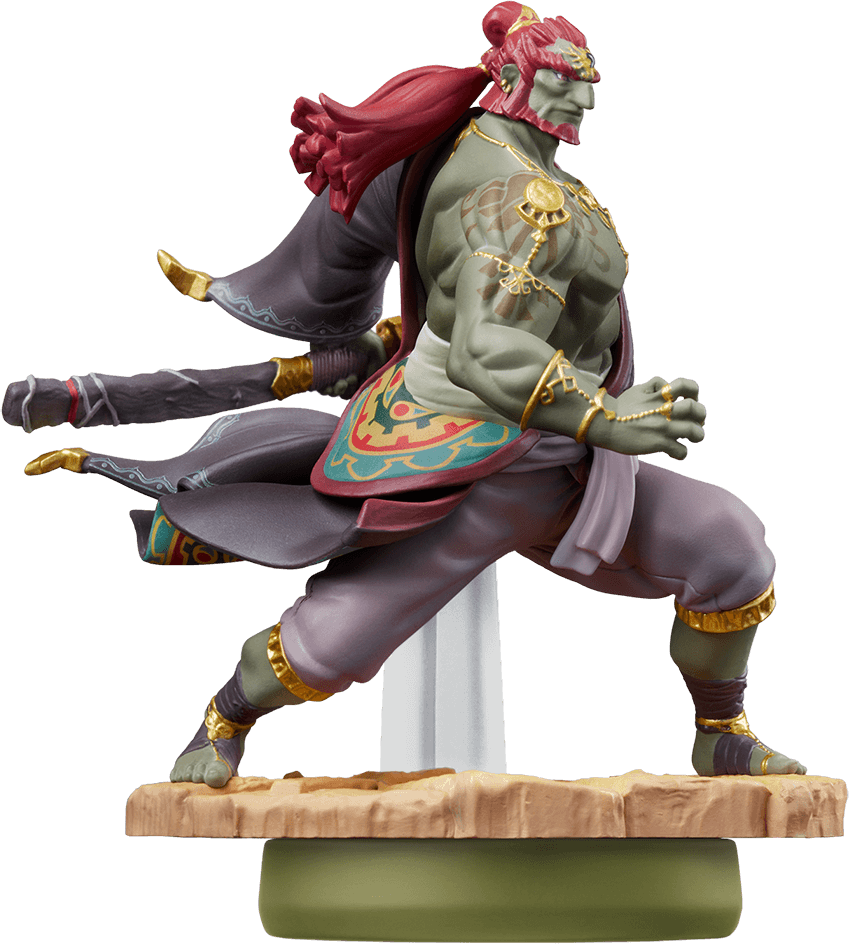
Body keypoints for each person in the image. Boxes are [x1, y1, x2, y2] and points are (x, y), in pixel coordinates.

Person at [4, 3, 805, 786]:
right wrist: (603, 414)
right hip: (467, 469)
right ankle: (222, 722)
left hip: (570, 465)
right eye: (564, 81)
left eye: (588, 80)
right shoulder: (515, 201)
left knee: (730, 549)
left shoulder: (498, 160)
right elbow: (486, 349)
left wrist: (585, 424)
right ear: (511, 82)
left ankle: (720, 734)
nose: (584, 99)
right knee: (323, 650)